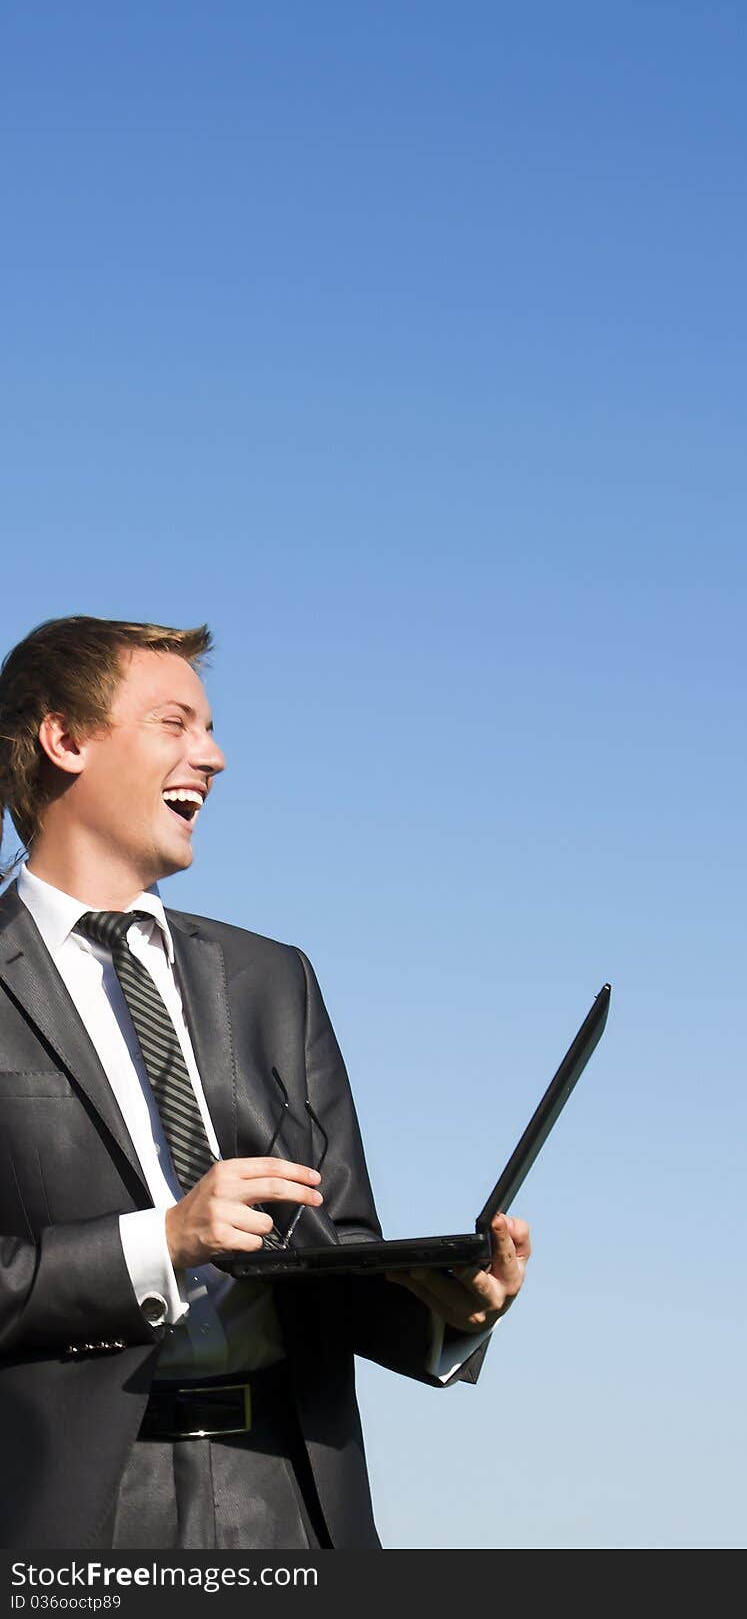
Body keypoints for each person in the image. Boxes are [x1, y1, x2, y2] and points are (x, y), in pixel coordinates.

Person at [0, 616, 531, 1551]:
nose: (214, 756)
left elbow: (340, 1246)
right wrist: (164, 1240)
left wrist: (447, 1310)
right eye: (176, 723)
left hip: (293, 1500)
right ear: (67, 739)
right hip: (69, 1518)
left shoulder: (273, 978)